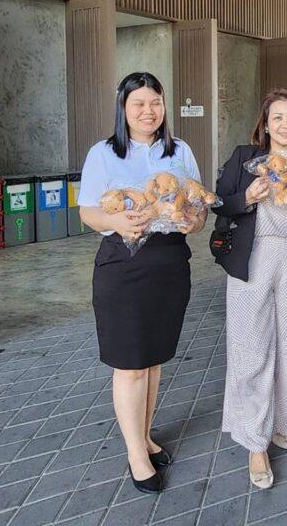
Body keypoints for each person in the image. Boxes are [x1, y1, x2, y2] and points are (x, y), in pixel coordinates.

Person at [77, 72, 207, 493]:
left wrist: (193, 221)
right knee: (131, 365)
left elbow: (197, 206)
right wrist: (117, 222)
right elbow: (88, 211)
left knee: (153, 361)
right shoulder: (103, 153)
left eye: (155, 102)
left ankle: (146, 437)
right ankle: (136, 454)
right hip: (123, 264)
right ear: (123, 108)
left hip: (169, 262)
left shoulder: (179, 150)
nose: (148, 111)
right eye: (139, 103)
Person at [212, 89, 287, 489]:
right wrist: (246, 196)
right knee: (252, 349)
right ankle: (254, 441)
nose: (285, 125)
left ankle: (286, 420)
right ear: (265, 124)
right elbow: (219, 202)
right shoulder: (244, 158)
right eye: (277, 117)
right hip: (253, 260)